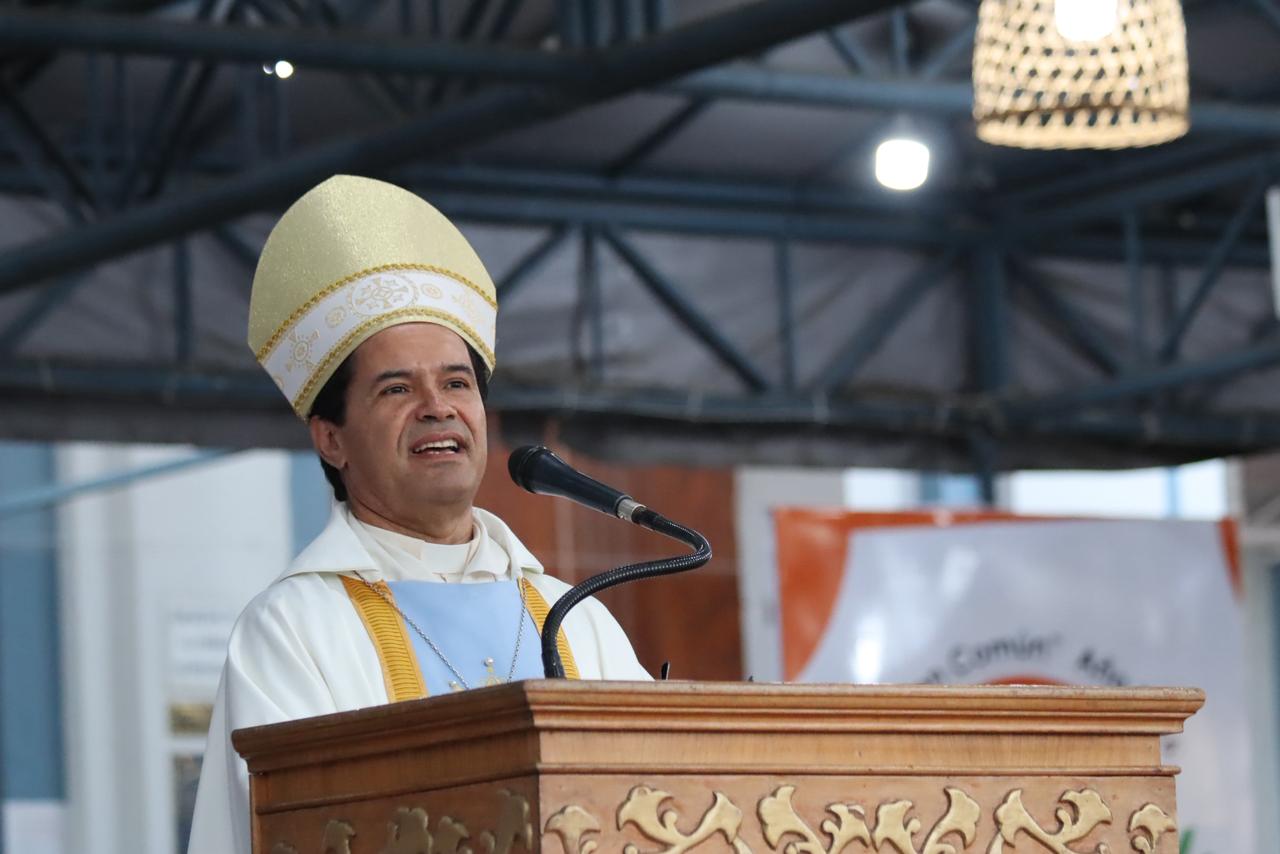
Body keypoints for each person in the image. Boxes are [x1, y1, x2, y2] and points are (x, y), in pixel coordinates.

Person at [187, 175, 650, 854]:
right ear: (332, 439)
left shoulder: (574, 616)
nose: (438, 408)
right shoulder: (294, 629)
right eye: (397, 389)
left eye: (457, 383)